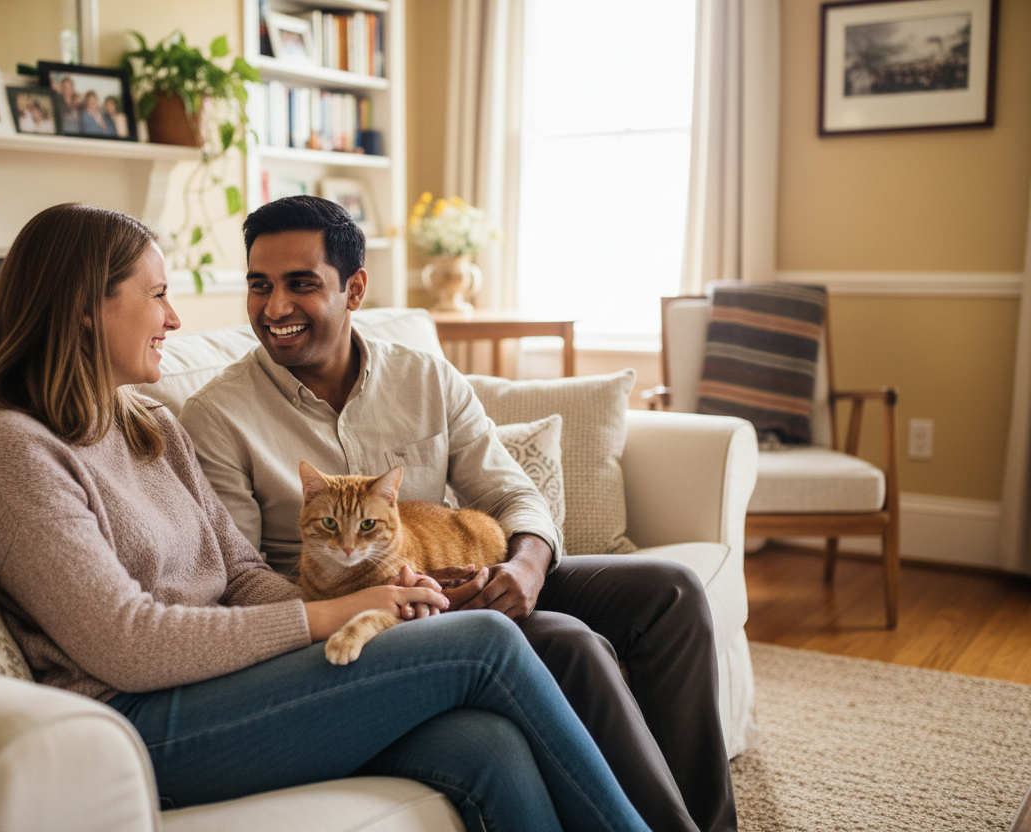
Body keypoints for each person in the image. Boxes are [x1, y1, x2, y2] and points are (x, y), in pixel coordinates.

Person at [0, 202, 650, 832]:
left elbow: (242, 572)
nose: (176, 318)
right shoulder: (11, 451)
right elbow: (126, 644)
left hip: (231, 681)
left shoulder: (146, 426)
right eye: (157, 295)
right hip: (134, 724)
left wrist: (384, 605)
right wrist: (332, 615)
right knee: (486, 642)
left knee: (485, 745)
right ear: (82, 305)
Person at [179, 195, 740, 832]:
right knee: (572, 644)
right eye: (260, 286)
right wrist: (378, 602)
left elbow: (511, 493)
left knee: (670, 591)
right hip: (368, 619)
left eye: (300, 285)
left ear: (355, 288)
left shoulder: (426, 377)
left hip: (468, 576)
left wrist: (527, 567)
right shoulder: (216, 417)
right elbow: (242, 581)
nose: (274, 308)